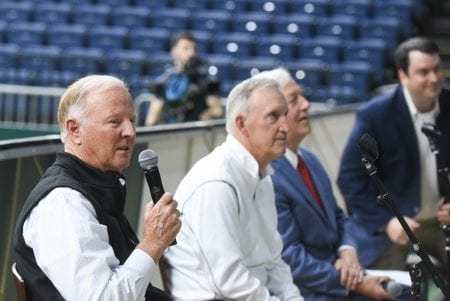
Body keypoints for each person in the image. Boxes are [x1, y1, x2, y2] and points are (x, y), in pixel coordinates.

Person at [13, 75, 181, 300]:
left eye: (132, 120)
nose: (130, 132)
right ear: (74, 129)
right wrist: (152, 243)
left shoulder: (97, 186)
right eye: (114, 121)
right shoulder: (63, 203)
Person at [257, 68, 410, 300]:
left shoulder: (309, 158)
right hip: (311, 289)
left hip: (342, 273)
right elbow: (289, 258)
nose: (306, 105)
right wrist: (353, 283)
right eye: (294, 100)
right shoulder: (269, 176)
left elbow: (339, 216)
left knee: (410, 291)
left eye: (303, 96)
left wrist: (347, 251)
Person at [163, 77, 303, 300]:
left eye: (285, 115)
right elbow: (228, 282)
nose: (285, 126)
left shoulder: (263, 177)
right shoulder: (216, 182)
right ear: (241, 124)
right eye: (273, 116)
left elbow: (274, 262)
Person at [337, 36, 450, 271]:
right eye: (423, 72)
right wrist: (386, 221)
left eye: (437, 69)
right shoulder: (375, 115)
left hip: (443, 221)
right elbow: (350, 178)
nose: (433, 78)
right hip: (396, 222)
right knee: (384, 288)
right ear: (403, 76)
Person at [145, 31, 223, 125]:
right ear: (174, 51)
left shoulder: (205, 79)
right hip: (169, 131)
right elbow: (153, 114)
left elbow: (217, 111)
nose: (191, 53)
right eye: (186, 48)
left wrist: (207, 116)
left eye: (194, 49)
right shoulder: (165, 79)